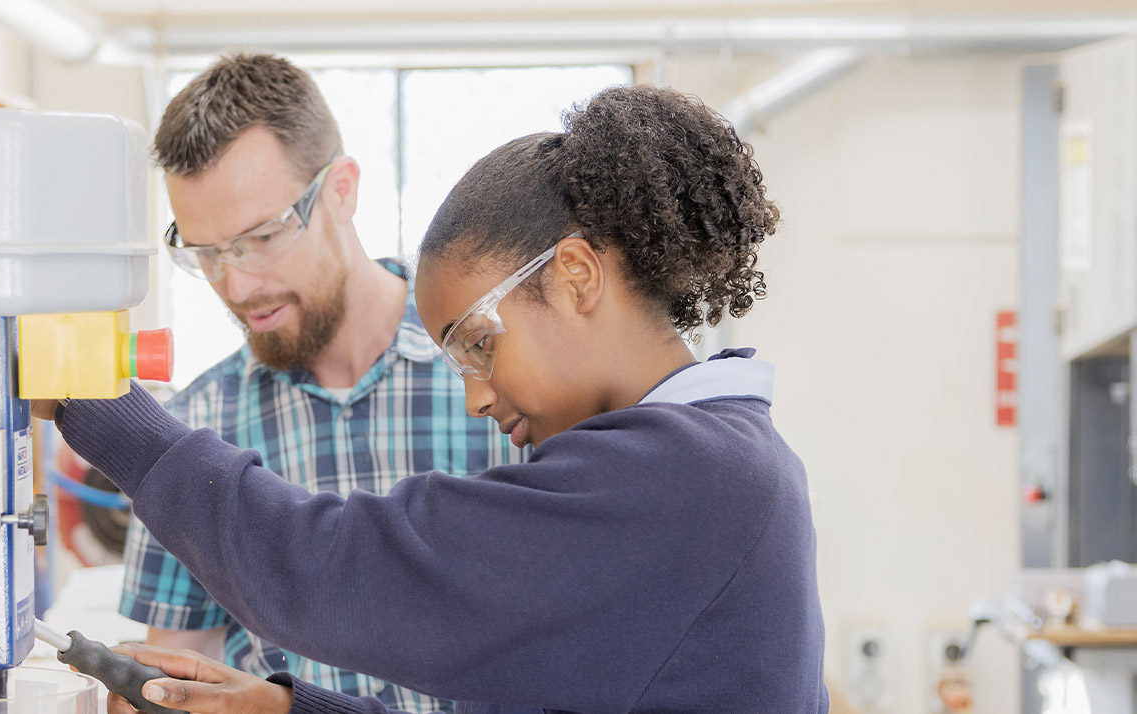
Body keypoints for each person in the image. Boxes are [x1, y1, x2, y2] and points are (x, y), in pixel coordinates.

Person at [42, 84, 824, 714]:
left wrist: (98, 405)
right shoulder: (714, 460)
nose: (476, 397)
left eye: (480, 344)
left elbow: (331, 571)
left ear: (578, 276)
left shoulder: (688, 476)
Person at [123, 51, 520, 714]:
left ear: (342, 188)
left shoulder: (502, 381)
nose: (237, 284)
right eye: (207, 254)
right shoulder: (193, 431)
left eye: (262, 235)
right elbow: (179, 681)